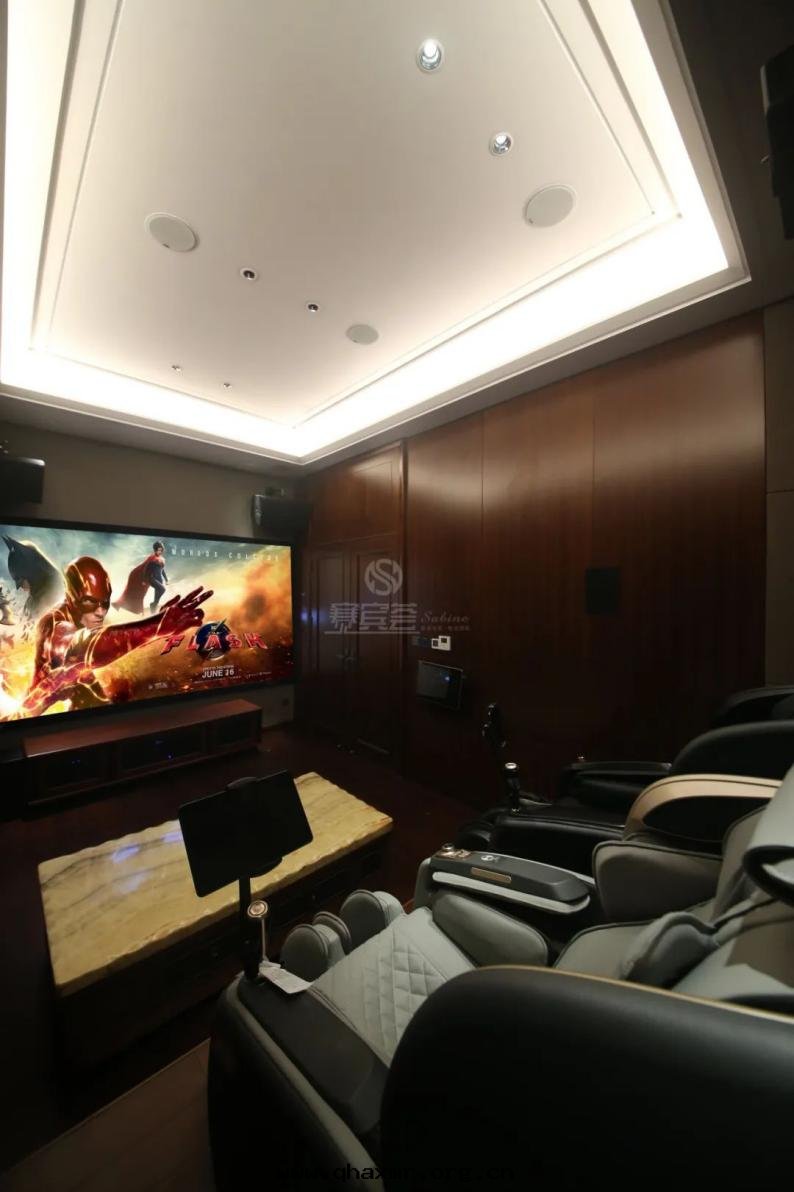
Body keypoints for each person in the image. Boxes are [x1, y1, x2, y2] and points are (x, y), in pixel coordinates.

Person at [24, 555, 211, 716]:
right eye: (89, 601)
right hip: (36, 711)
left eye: (104, 602)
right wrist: (155, 626)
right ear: (70, 597)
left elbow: (119, 641)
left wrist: (158, 626)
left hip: (77, 698)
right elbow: (85, 646)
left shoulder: (90, 616)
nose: (100, 611)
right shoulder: (56, 623)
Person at [114, 540, 170, 614]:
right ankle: (152, 604)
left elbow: (162, 571)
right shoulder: (152, 558)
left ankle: (153, 612)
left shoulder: (162, 559)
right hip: (151, 579)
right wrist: (144, 580)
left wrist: (166, 579)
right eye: (158, 550)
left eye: (161, 550)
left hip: (159, 580)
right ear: (155, 550)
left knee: (157, 598)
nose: (160, 551)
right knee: (162, 589)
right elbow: (146, 569)